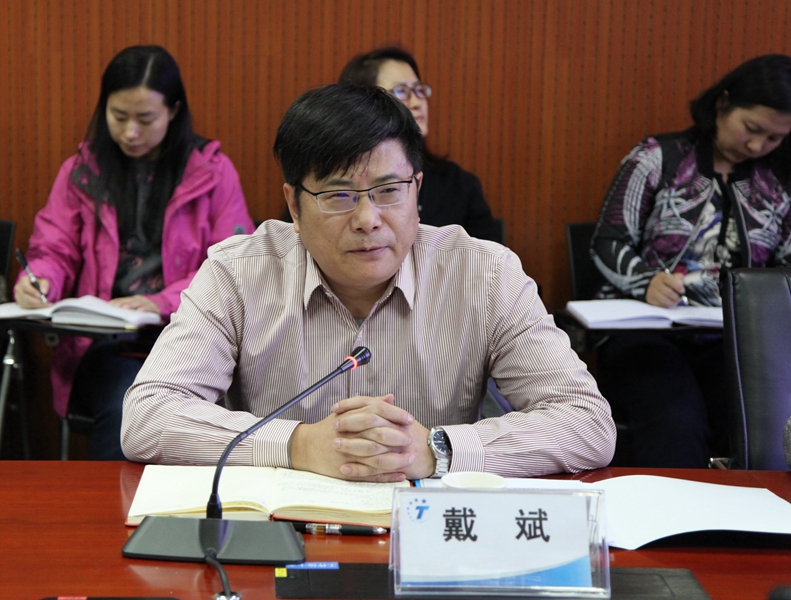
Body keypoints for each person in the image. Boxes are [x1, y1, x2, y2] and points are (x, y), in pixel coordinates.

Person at [121, 84, 615, 481]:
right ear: (294, 205)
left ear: (417, 190)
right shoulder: (238, 272)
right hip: (281, 533)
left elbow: (587, 422)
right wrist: (298, 445)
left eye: (388, 191)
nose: (367, 219)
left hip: (430, 535)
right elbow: (148, 415)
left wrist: (437, 450)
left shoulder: (485, 275)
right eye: (338, 195)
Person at [14, 45, 254, 459]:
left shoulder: (213, 172)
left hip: (190, 339)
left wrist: (160, 301)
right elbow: (53, 247)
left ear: (173, 111)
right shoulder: (82, 171)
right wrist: (39, 279)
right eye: (118, 116)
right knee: (127, 403)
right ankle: (113, 503)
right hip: (106, 343)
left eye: (145, 119)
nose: (130, 133)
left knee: (177, 411)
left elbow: (233, 264)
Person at [591, 54, 791, 468]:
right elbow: (607, 241)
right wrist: (645, 281)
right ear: (722, 103)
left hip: (736, 337)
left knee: (758, 421)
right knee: (675, 419)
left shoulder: (780, 182)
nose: (757, 146)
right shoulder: (657, 158)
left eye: (774, 138)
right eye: (751, 128)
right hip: (644, 329)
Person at [337, 46, 503, 243]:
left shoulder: (458, 184)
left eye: (419, 90)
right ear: (362, 104)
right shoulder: (337, 182)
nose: (417, 102)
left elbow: (488, 256)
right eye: (401, 91)